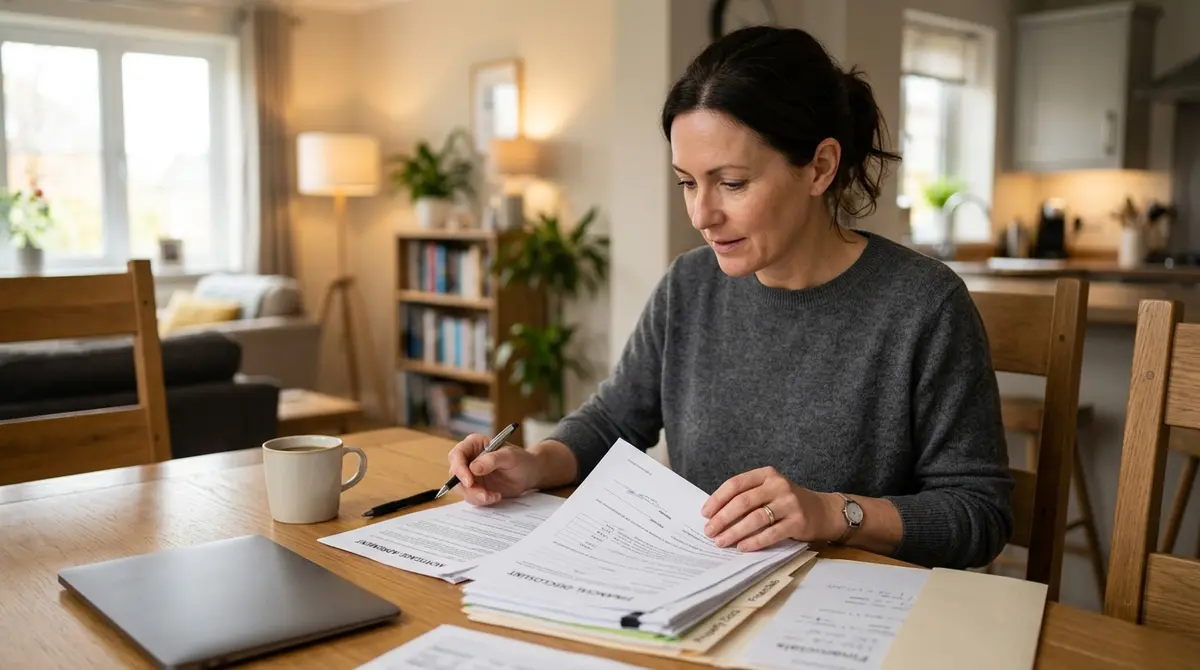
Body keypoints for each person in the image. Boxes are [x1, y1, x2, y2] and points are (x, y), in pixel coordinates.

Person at [446, 25, 1013, 570]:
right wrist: (535, 463)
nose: (701, 215)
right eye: (688, 182)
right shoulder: (688, 286)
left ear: (819, 167)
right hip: (698, 599)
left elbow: (979, 515)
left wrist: (831, 512)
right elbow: (614, 419)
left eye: (733, 183)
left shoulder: (924, 305)